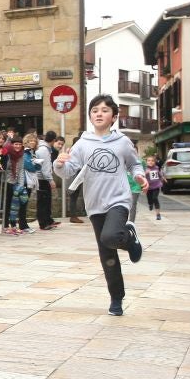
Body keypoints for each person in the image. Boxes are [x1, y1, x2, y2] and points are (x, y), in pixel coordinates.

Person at [54, 94, 147, 317]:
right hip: (94, 204)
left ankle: (128, 238)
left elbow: (135, 164)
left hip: (118, 199)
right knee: (107, 254)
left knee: (110, 237)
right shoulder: (83, 143)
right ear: (90, 115)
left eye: (105, 110)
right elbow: (68, 170)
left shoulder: (122, 142)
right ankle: (116, 298)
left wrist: (140, 176)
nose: (99, 113)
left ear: (114, 116)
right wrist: (59, 163)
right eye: (95, 110)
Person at [35, 131, 59, 230]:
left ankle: (48, 220)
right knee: (43, 201)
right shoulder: (44, 150)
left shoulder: (44, 148)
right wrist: (50, 180)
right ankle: (43, 223)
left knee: (47, 200)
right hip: (42, 179)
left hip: (42, 178)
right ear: (53, 140)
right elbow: (45, 167)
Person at [145, 155, 165, 220]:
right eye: (149, 161)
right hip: (148, 187)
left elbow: (159, 174)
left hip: (156, 186)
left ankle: (158, 214)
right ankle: (150, 204)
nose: (151, 162)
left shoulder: (156, 168)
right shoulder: (145, 169)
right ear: (146, 162)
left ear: (155, 162)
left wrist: (162, 178)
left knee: (155, 198)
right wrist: (145, 173)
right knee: (149, 199)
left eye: (152, 161)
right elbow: (142, 177)